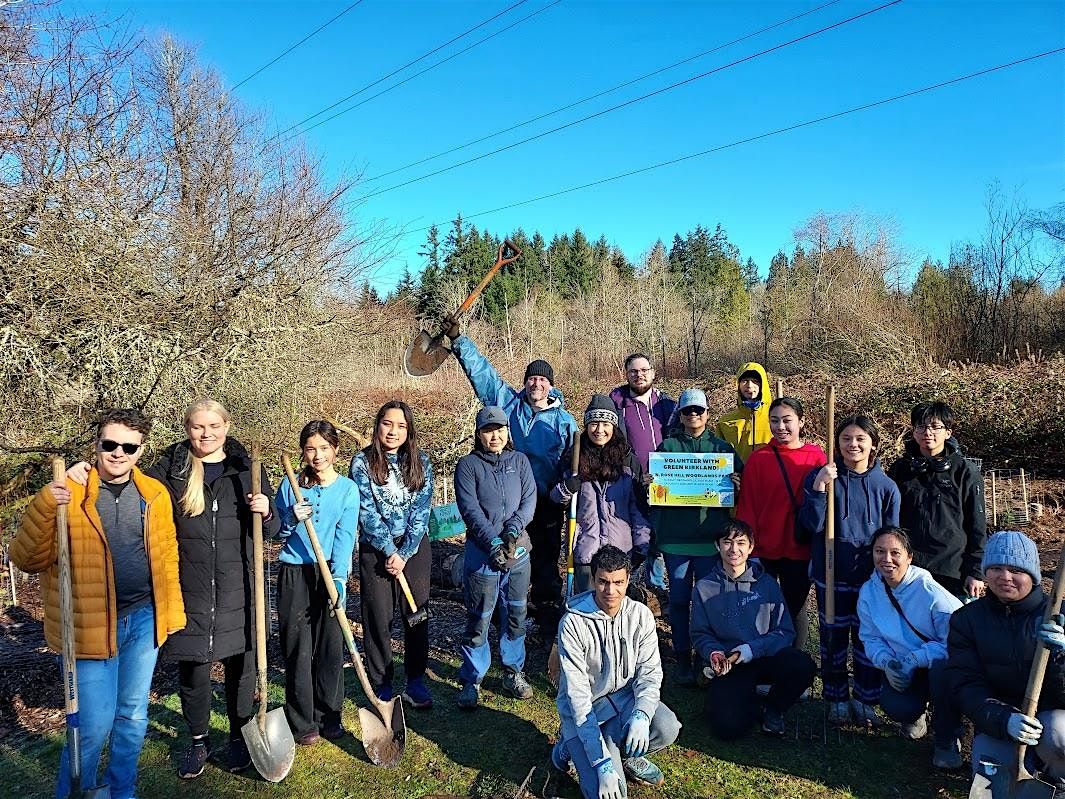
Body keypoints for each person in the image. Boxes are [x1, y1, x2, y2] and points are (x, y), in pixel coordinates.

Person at [66, 399, 277, 778]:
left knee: (240, 672)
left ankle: (238, 737)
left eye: (214, 425)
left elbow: (272, 531)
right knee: (194, 672)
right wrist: (86, 472)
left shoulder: (247, 470)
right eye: (198, 426)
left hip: (238, 590)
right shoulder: (170, 470)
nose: (206, 433)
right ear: (187, 428)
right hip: (186, 589)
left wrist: (268, 511)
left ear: (226, 427)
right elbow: (127, 487)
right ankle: (198, 741)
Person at [12, 409, 185, 799]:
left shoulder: (154, 495)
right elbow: (25, 558)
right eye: (110, 444)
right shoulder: (67, 494)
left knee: (133, 716)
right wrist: (43, 505)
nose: (118, 453)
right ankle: (77, 792)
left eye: (129, 446)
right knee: (91, 724)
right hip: (88, 625)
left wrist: (170, 609)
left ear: (141, 449)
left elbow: (167, 553)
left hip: (144, 620)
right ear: (97, 444)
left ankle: (122, 790)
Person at [447, 325, 578, 635]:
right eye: (532, 378)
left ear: (551, 386)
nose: (537, 383)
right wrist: (459, 341)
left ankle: (546, 613)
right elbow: (483, 374)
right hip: (506, 499)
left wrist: (565, 488)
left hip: (545, 502)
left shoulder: (565, 421)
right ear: (525, 382)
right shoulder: (509, 404)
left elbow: (571, 461)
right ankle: (496, 613)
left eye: (543, 379)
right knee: (502, 551)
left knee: (545, 559)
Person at [554, 545, 682, 797]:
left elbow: (650, 673)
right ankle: (567, 748)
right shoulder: (572, 623)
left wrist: (643, 714)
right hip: (586, 712)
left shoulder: (641, 616)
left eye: (618, 582)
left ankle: (627, 753)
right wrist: (602, 764)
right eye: (602, 582)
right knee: (612, 794)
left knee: (667, 726)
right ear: (592, 579)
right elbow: (578, 699)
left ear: (628, 579)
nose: (610, 591)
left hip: (624, 700)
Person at [800, 414, 901, 726]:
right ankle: (836, 697)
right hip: (831, 574)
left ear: (873, 445)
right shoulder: (824, 479)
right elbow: (810, 525)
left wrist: (887, 573)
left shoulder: (886, 487)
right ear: (837, 443)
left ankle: (865, 699)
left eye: (860, 439)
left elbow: (892, 536)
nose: (853, 445)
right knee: (833, 639)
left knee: (867, 640)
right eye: (846, 439)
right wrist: (818, 488)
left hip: (869, 580)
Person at [948, 530, 1065, 795]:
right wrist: (1005, 720)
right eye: (996, 568)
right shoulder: (966, 620)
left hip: (1053, 720)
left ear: (1033, 574)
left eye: (1015, 569)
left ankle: (1059, 783)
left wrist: (1062, 656)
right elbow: (965, 685)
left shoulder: (1059, 616)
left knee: (1058, 733)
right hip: (1002, 721)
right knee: (987, 769)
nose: (1005, 577)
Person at [273, 420, 359, 745]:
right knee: (298, 649)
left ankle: (329, 714)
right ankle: (302, 720)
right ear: (303, 451)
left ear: (335, 450)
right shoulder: (290, 485)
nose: (317, 455)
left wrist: (338, 579)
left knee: (330, 647)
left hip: (329, 573)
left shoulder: (348, 489)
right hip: (295, 573)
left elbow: (345, 536)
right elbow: (277, 536)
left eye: (324, 448)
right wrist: (290, 519)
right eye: (311, 448)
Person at [690, 520, 816, 739]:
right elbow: (700, 633)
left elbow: (784, 631)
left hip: (764, 656)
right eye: (727, 542)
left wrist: (750, 649)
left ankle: (774, 709)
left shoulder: (767, 584)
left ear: (750, 547)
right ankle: (742, 701)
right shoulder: (703, 587)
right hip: (731, 664)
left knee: (802, 664)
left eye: (741, 543)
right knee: (728, 729)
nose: (734, 549)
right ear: (717, 546)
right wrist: (715, 652)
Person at [650, 387, 741, 685]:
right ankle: (682, 656)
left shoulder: (721, 449)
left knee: (706, 601)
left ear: (707, 413)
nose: (693, 415)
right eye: (687, 411)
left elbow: (740, 482)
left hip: (709, 539)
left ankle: (707, 655)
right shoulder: (668, 447)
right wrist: (651, 483)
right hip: (676, 539)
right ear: (680, 414)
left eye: (698, 410)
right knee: (678, 600)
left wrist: (735, 484)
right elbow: (654, 492)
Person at [349, 400, 434, 708]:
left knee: (416, 615)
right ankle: (382, 683)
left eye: (401, 425)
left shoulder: (422, 462)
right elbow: (366, 512)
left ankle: (415, 680)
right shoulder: (362, 463)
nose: (393, 431)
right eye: (387, 424)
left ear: (408, 430)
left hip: (414, 551)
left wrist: (405, 552)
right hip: (376, 552)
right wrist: (388, 550)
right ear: (378, 426)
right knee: (378, 617)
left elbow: (422, 513)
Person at [857, 527, 964, 768]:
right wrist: (887, 663)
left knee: (941, 672)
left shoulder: (930, 592)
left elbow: (956, 642)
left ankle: (947, 737)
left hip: (938, 663)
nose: (887, 559)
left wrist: (915, 659)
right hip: (903, 666)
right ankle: (916, 716)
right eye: (879, 551)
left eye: (895, 552)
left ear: (909, 557)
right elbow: (870, 637)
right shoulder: (869, 592)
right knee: (897, 706)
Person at [453, 406, 538, 708]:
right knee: (479, 616)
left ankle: (513, 671)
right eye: (488, 430)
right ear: (478, 434)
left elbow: (529, 501)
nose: (495, 435)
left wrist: (513, 533)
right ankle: (472, 677)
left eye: (500, 429)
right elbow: (470, 508)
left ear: (507, 432)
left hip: (518, 553)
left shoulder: (520, 461)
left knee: (516, 614)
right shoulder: (468, 465)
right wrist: (493, 542)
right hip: (482, 555)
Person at [735, 397, 825, 641]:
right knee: (761, 609)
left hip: (800, 547)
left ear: (802, 422)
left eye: (787, 420)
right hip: (764, 549)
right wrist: (747, 549)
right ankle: (764, 663)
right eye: (774, 421)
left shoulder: (817, 458)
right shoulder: (759, 458)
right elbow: (748, 505)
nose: (781, 427)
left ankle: (793, 665)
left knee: (794, 608)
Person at [551, 395, 651, 593]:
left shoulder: (627, 460)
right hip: (586, 550)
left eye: (605, 423)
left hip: (621, 550)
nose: (599, 430)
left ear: (613, 426)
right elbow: (556, 498)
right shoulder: (574, 458)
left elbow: (637, 508)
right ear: (586, 426)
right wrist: (567, 487)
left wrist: (642, 544)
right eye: (594, 423)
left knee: (617, 608)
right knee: (587, 607)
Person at [888, 401, 986, 600]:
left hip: (952, 569)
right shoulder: (901, 469)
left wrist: (976, 570)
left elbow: (977, 523)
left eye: (935, 426)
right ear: (914, 432)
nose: (928, 432)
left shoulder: (965, 471)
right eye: (921, 427)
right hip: (909, 567)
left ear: (948, 432)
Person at [609, 353, 675, 589]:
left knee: (660, 534)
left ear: (652, 373)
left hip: (666, 482)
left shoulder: (666, 405)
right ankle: (631, 583)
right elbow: (614, 442)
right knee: (640, 534)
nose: (639, 375)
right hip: (631, 480)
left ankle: (658, 586)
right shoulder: (617, 403)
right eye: (633, 371)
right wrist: (635, 472)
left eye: (644, 370)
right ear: (626, 374)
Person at [715, 361, 774, 462]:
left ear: (763, 384)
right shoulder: (725, 422)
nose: (749, 385)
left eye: (755, 381)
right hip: (740, 477)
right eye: (745, 381)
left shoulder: (776, 419)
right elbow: (719, 458)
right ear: (738, 384)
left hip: (770, 476)